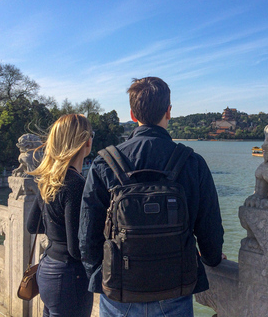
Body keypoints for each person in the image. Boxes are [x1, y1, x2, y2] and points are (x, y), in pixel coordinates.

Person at [79, 77, 225, 317]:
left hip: (118, 294)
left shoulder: (104, 162)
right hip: (174, 291)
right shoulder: (192, 163)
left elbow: (87, 235)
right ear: (168, 111)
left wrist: (101, 277)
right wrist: (212, 258)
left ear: (132, 114)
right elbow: (210, 230)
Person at [27, 114, 94, 317]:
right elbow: (76, 249)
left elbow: (32, 226)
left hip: (47, 269)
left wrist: (57, 232)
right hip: (69, 277)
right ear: (86, 141)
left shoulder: (49, 179)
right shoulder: (76, 185)